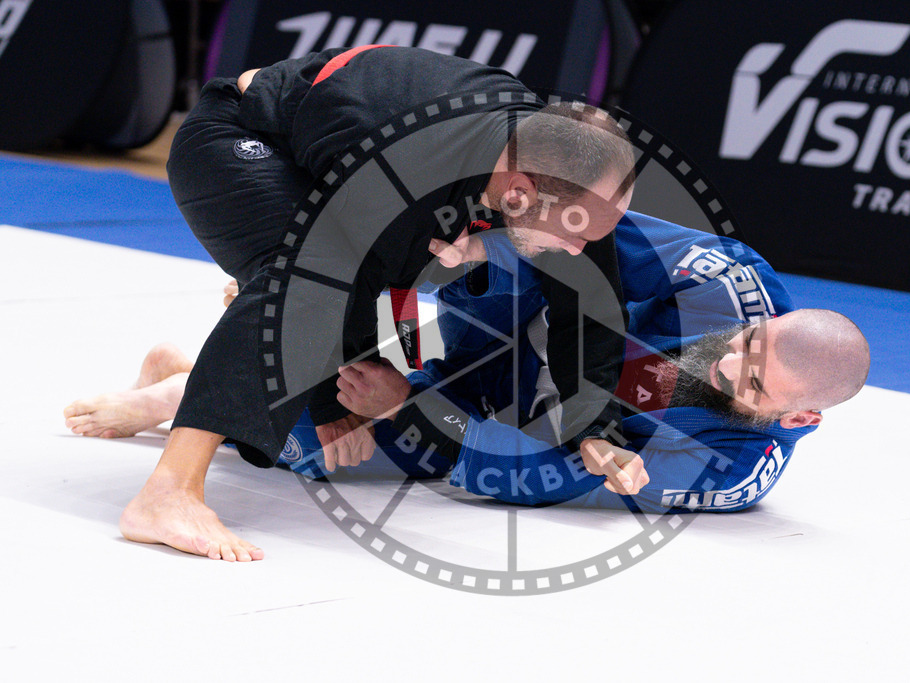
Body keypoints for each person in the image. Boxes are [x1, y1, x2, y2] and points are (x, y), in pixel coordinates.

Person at [112, 44, 637, 561]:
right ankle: (168, 491)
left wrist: (596, 426)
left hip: (368, 179)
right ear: (520, 190)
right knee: (302, 284)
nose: (578, 249)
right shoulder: (400, 151)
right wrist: (335, 394)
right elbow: (337, 271)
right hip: (241, 137)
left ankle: (177, 375)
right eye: (575, 235)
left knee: (365, 304)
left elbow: (591, 299)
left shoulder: (563, 171)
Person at [66, 211, 869, 524]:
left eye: (752, 383)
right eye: (747, 343)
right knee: (373, 328)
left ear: (800, 418)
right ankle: (218, 365)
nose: (728, 357)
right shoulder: (726, 279)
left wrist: (408, 413)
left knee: (334, 444)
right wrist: (450, 267)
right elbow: (576, 243)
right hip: (516, 321)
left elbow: (551, 471)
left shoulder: (733, 466)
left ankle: (188, 380)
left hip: (519, 420)